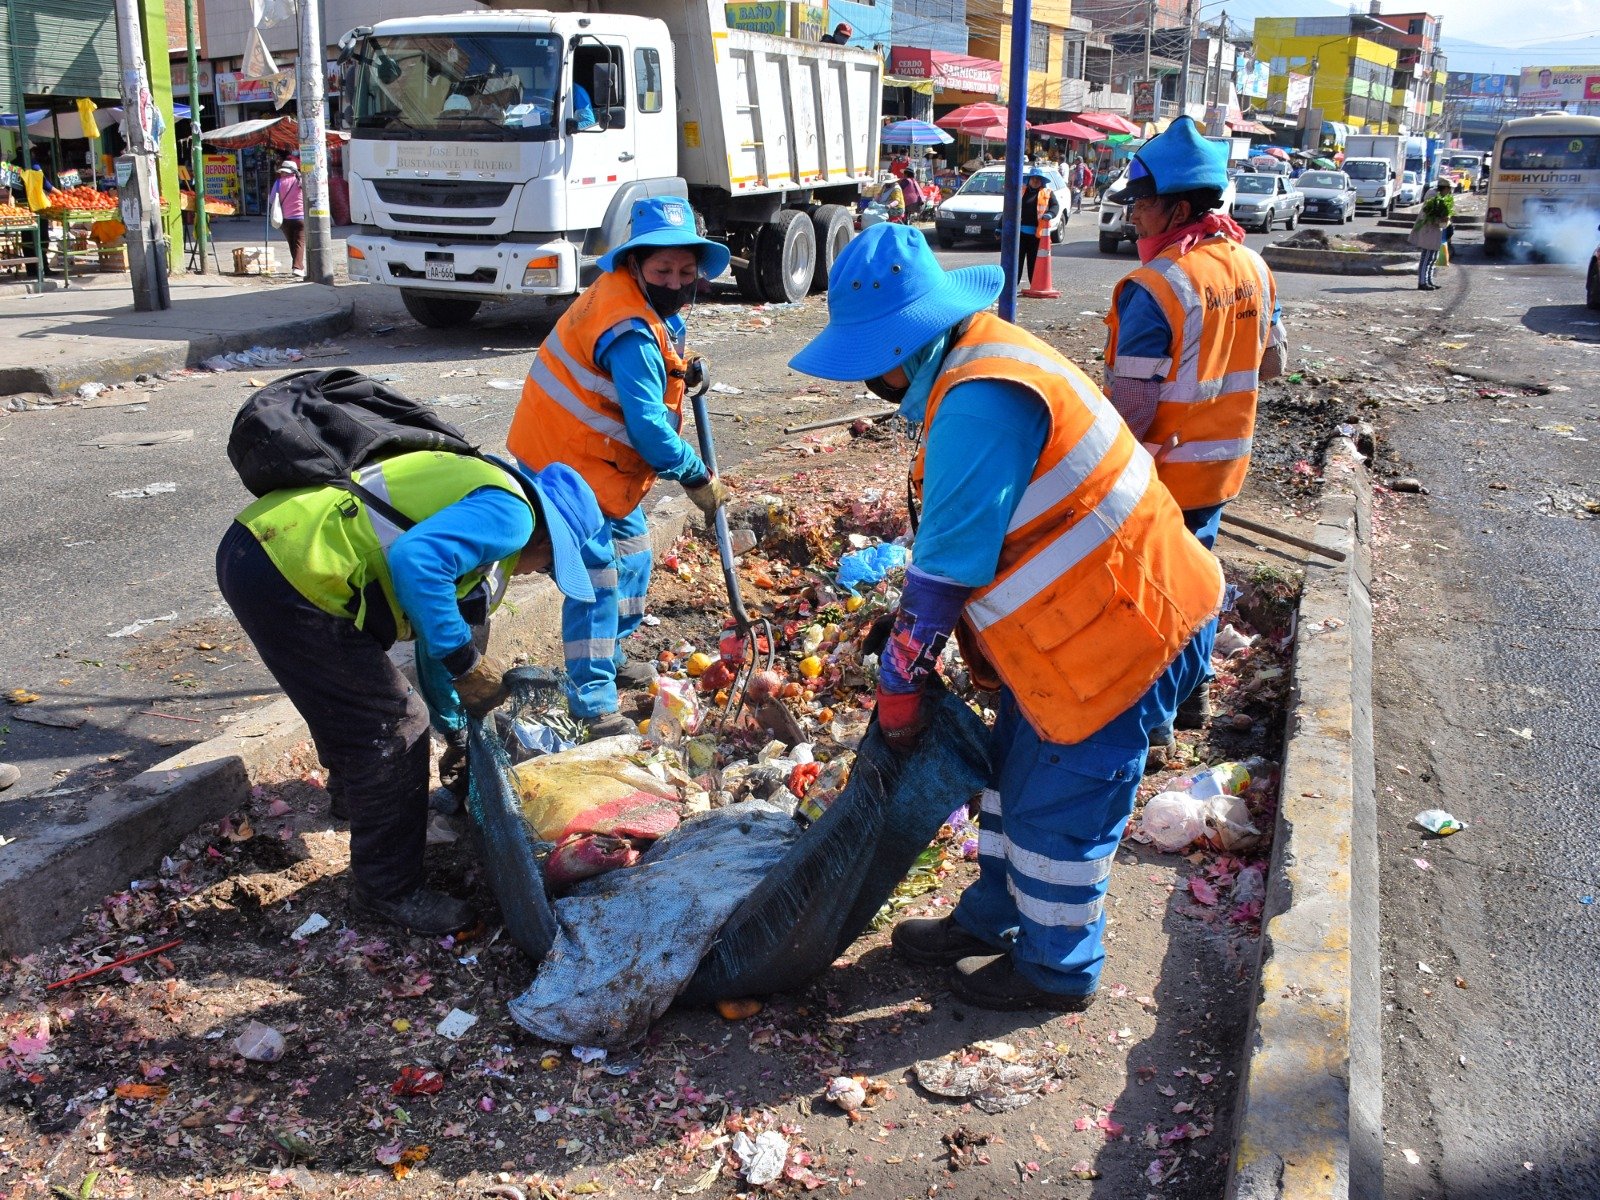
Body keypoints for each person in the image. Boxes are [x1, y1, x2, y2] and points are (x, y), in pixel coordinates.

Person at [788, 224, 1222, 1010]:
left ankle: (1056, 971)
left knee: (1060, 814)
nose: (869, 385)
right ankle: (992, 918)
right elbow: (966, 546)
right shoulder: (976, 360)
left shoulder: (980, 404)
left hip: (1122, 636)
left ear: (903, 346)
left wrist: (901, 692)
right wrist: (911, 639)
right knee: (1006, 783)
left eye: (871, 366)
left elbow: (944, 575)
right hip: (1070, 631)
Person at [217, 450, 606, 936]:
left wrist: (461, 718)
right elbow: (414, 561)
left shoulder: (488, 500)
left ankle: (355, 799)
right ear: (546, 536)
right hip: (290, 567)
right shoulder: (512, 516)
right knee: (397, 724)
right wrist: (464, 665)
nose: (538, 572)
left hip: (265, 550)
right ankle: (389, 890)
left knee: (353, 696)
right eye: (550, 562)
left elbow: (440, 626)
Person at [507, 197, 730, 739]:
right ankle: (592, 697)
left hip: (598, 465)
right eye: (663, 271)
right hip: (564, 464)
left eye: (685, 272)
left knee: (635, 556)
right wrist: (696, 475)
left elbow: (660, 355)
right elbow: (650, 430)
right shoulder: (628, 329)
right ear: (636, 265)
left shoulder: (644, 307)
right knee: (598, 578)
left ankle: (614, 650)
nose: (675, 282)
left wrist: (683, 367)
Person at [1101, 116, 1287, 756]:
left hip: (1161, 476)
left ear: (1177, 207)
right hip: (1222, 469)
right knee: (1200, 581)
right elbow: (1273, 363)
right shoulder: (1253, 268)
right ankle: (1193, 698)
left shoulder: (1156, 288)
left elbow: (1130, 407)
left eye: (1142, 206)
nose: (1134, 219)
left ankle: (1152, 728)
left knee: (1155, 598)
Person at [1016, 167, 1058, 292]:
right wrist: (1000, 228)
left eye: (1038, 179)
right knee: (1016, 262)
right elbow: (1009, 210)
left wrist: (1050, 214)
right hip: (1019, 235)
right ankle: (1012, 287)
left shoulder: (1047, 193)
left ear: (1042, 181)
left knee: (1034, 263)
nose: (1035, 181)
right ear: (1028, 179)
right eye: (1033, 178)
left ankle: (1035, 286)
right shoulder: (1020, 192)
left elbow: (1055, 206)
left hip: (1037, 236)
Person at [1410, 185, 1452, 291]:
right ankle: (1422, 282)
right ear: (1444, 188)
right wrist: (1440, 220)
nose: (1450, 191)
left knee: (1432, 258)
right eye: (1449, 189)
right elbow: (1427, 217)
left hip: (1434, 233)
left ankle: (1429, 280)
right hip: (1429, 232)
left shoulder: (1438, 198)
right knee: (1427, 258)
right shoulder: (1432, 198)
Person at [270, 159, 305, 278]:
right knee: (299, 243)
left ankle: (297, 266)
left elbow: (271, 200)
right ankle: (297, 267)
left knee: (292, 243)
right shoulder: (300, 181)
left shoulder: (278, 183)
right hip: (301, 217)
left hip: (285, 219)